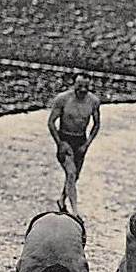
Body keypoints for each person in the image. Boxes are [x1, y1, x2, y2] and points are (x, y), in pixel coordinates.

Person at [47, 75, 101, 217]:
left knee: (74, 177)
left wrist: (87, 144)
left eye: (86, 87)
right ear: (74, 85)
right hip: (65, 138)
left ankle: (61, 201)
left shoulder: (93, 101)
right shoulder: (63, 99)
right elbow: (51, 122)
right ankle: (75, 212)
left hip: (80, 140)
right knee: (70, 173)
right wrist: (60, 143)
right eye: (79, 86)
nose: (82, 90)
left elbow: (96, 124)